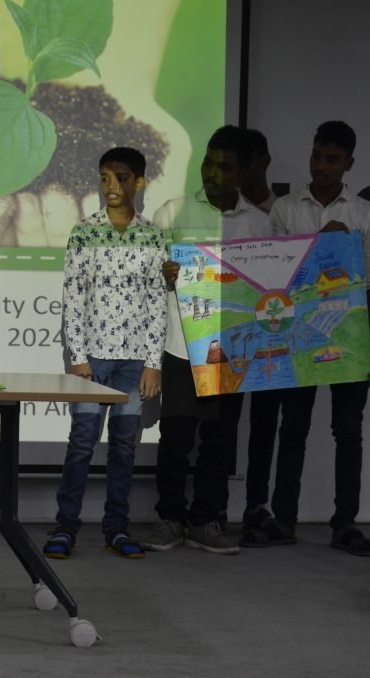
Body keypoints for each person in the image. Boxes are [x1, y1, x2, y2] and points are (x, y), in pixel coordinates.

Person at [140, 125, 272, 555]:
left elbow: (269, 286)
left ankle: (206, 520)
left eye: (224, 167)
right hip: (181, 345)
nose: (213, 174)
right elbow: (145, 277)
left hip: (232, 347)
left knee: (218, 440)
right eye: (208, 163)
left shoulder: (259, 223)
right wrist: (162, 275)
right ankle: (170, 518)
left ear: (243, 173)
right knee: (177, 437)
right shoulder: (172, 212)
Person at [242, 120, 370, 555]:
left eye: (332, 159)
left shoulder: (364, 214)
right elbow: (273, 275)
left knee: (348, 429)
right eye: (317, 155)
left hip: (351, 334)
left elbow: (367, 281)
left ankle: (345, 524)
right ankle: (284, 520)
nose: (321, 166)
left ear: (349, 163)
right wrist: (320, 244)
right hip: (297, 331)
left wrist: (344, 250)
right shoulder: (285, 209)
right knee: (293, 426)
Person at [43, 147, 166, 560]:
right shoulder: (84, 231)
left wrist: (153, 363)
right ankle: (66, 526)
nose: (111, 186)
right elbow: (73, 298)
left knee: (124, 446)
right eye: (104, 178)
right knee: (82, 441)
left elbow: (157, 303)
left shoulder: (153, 235)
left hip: (134, 362)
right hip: (92, 359)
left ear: (139, 182)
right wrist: (78, 357)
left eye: (121, 177)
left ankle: (116, 527)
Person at [239, 128, 283, 536]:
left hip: (273, 333)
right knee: (220, 424)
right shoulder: (225, 210)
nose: (239, 170)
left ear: (264, 162)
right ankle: (212, 507)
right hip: (230, 331)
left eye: (246, 161)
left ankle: (256, 503)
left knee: (266, 422)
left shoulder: (281, 212)